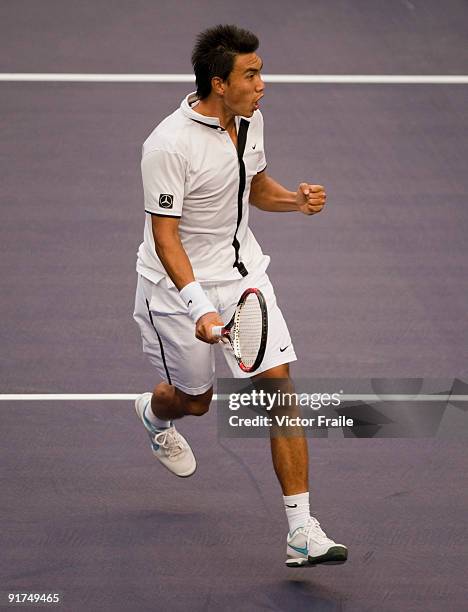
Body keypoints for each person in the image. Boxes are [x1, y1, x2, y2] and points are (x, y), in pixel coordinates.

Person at [133, 24, 347, 567]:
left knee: (281, 390)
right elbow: (165, 238)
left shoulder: (249, 121)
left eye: (260, 71)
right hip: (176, 288)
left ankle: (301, 531)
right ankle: (156, 415)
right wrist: (200, 308)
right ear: (218, 83)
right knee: (195, 402)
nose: (262, 84)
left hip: (244, 275)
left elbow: (254, 189)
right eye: (251, 74)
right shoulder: (167, 145)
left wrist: (295, 201)